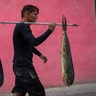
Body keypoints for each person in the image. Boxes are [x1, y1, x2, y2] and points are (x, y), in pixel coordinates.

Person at [12, 5, 56, 96]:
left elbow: (29, 45)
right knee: (38, 93)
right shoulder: (22, 26)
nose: (37, 16)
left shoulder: (23, 27)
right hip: (24, 68)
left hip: (19, 66)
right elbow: (34, 42)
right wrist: (49, 30)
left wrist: (39, 54)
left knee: (19, 93)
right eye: (35, 14)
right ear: (27, 14)